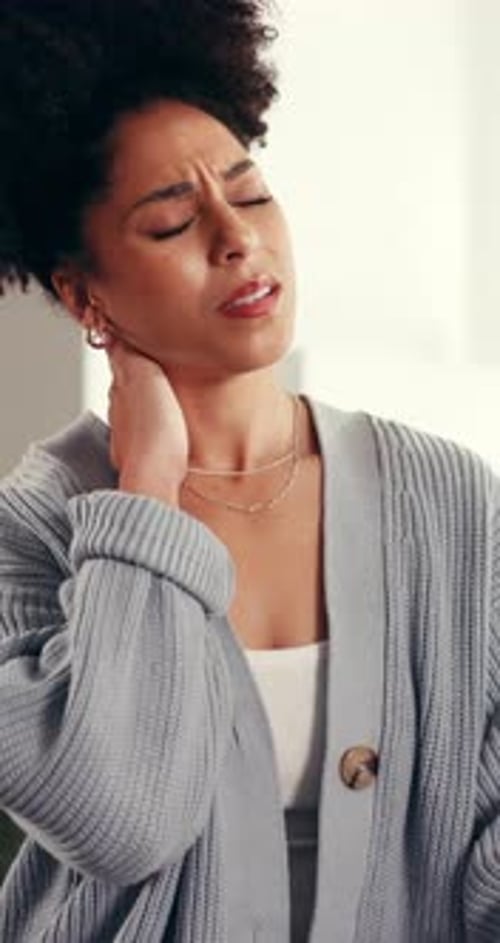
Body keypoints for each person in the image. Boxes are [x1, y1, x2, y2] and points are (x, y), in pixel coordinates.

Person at [0, 2, 499, 941]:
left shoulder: (452, 499)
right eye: (173, 222)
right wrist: (145, 487)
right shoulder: (31, 533)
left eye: (251, 191)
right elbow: (116, 817)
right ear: (82, 293)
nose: (237, 238)